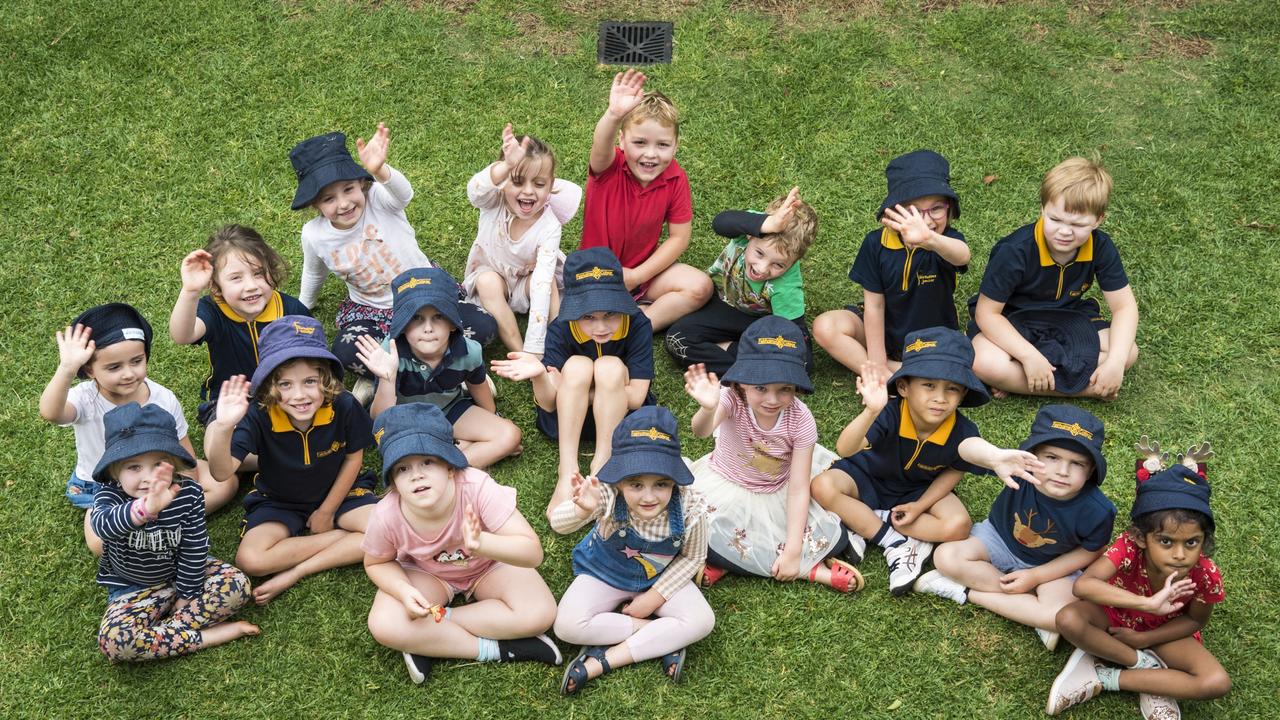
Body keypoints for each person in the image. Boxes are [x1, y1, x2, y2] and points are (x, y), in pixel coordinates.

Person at [811, 327, 1038, 594]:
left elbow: (962, 460)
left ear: (963, 394)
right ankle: (895, 541)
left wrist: (921, 505)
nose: (940, 398)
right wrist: (871, 411)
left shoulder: (961, 430)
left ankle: (867, 523)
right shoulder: (889, 412)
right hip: (866, 477)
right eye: (929, 385)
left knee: (959, 526)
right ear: (904, 387)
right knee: (823, 486)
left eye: (952, 389)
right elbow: (846, 449)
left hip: (920, 488)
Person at [362, 403, 560, 684]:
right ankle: (494, 649)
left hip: (489, 565)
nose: (416, 474)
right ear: (393, 481)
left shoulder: (477, 487)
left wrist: (482, 543)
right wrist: (404, 591)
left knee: (540, 613)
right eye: (402, 468)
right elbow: (376, 562)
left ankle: (430, 636)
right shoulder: (386, 514)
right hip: (426, 573)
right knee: (384, 624)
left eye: (428, 462)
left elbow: (532, 553)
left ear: (451, 467)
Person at [289, 124, 494, 383]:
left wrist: (380, 171)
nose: (343, 203)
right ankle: (440, 368)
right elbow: (313, 271)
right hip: (372, 310)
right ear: (315, 205)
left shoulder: (379, 198)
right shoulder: (314, 234)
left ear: (362, 184)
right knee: (345, 349)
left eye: (348, 189)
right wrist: (303, 306)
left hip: (424, 293)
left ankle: (398, 374)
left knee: (483, 325)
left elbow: (405, 194)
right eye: (328, 199)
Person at [684, 316, 864, 593]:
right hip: (723, 484)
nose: (772, 399)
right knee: (684, 525)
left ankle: (733, 563)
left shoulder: (801, 420)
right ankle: (812, 570)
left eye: (785, 389)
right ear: (741, 382)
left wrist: (793, 551)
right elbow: (701, 432)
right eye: (760, 388)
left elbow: (798, 488)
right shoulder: (730, 398)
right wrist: (708, 408)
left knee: (815, 539)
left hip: (775, 491)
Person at [204, 316, 377, 604]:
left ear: (326, 379)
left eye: (310, 381)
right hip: (279, 499)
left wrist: (325, 512)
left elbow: (353, 458)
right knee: (251, 560)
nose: (299, 395)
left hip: (341, 493)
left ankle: (298, 569)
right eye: (285, 384)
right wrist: (223, 427)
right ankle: (343, 538)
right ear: (270, 386)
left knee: (390, 530)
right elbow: (222, 473)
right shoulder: (258, 413)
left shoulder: (344, 404)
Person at [915, 405, 1117, 651]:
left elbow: (1091, 550)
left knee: (1061, 616)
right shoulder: (1019, 470)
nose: (1062, 471)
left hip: (1053, 565)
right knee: (946, 556)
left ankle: (965, 591)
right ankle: (1028, 606)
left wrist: (1036, 576)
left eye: (1077, 464)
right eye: (1052, 457)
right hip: (997, 539)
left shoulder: (1098, 509)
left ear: (1091, 470)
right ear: (1032, 455)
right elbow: (964, 447)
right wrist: (995, 457)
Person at [1047, 446, 1229, 718]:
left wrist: (1144, 638)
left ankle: (1106, 678)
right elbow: (1084, 585)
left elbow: (1194, 621)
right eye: (1165, 541)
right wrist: (1145, 604)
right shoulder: (1129, 547)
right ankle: (1143, 666)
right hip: (1113, 615)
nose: (1180, 555)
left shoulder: (1205, 574)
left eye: (1192, 542)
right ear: (1142, 538)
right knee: (1069, 619)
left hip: (1165, 632)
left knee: (1216, 682)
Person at [39, 303, 234, 554]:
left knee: (226, 483)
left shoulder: (162, 398)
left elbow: (186, 458)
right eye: (114, 367)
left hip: (158, 475)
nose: (128, 373)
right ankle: (141, 521)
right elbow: (51, 412)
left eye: (137, 361)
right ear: (89, 369)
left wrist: (176, 492)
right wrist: (66, 368)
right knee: (100, 545)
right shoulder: (86, 399)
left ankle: (150, 521)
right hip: (105, 485)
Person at [551, 407, 715, 694]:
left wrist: (654, 598)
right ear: (620, 481)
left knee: (703, 620)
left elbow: (693, 557)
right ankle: (662, 636)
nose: (649, 496)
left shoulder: (691, 507)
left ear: (675, 480)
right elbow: (557, 524)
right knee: (566, 625)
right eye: (636, 484)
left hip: (659, 578)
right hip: (602, 573)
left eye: (661, 484)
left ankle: (601, 661)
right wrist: (581, 510)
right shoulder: (606, 493)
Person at [491, 247, 655, 518]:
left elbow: (636, 397)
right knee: (578, 366)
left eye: (610, 314)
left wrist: (578, 390)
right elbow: (547, 403)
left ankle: (602, 468)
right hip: (565, 422)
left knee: (609, 367)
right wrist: (540, 375)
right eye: (588, 316)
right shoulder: (561, 328)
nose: (600, 327)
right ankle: (567, 472)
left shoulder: (637, 324)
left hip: (623, 421)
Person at [90, 403, 257, 662]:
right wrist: (143, 510)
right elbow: (103, 527)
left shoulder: (187, 492)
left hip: (182, 574)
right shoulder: (109, 494)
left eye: (158, 464)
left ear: (174, 463)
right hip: (133, 587)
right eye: (134, 467)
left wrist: (186, 595)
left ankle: (160, 635)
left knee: (238, 585)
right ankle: (204, 637)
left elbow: (194, 545)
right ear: (114, 470)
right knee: (115, 642)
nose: (147, 478)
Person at [969, 156, 1138, 399]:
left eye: (1078, 224)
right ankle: (1089, 390)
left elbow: (1124, 307)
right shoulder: (1015, 250)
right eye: (1055, 219)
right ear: (1043, 209)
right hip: (1014, 320)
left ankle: (1024, 379)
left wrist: (1116, 362)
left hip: (1069, 318)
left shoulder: (1101, 247)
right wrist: (1028, 355)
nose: (1065, 231)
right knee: (984, 361)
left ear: (1099, 220)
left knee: (1128, 353)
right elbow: (987, 313)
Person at [813, 150, 970, 377]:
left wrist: (930, 240)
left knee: (942, 371)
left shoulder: (946, 241)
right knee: (825, 326)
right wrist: (877, 361)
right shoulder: (875, 243)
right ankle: (885, 376)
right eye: (912, 210)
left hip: (930, 339)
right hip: (880, 331)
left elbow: (963, 256)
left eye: (936, 208)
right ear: (894, 211)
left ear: (949, 208)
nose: (924, 221)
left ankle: (901, 373)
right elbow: (874, 307)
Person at [581, 69, 712, 330]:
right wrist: (614, 115)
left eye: (662, 145)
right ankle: (616, 318)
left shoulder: (676, 178)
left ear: (675, 145)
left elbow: (679, 237)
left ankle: (639, 327)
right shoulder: (609, 167)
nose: (650, 154)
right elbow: (600, 146)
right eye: (640, 142)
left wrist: (638, 275)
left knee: (700, 287)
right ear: (622, 140)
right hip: (595, 275)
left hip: (643, 275)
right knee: (593, 314)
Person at [355, 267, 521, 468]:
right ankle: (453, 456)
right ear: (402, 324)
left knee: (510, 434)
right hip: (405, 419)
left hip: (449, 409)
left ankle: (445, 465)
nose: (427, 328)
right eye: (415, 317)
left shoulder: (469, 351)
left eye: (438, 316)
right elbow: (380, 419)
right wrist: (387, 379)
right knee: (409, 458)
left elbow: (477, 384)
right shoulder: (389, 352)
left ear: (452, 323)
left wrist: (491, 417)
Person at [664, 187, 818, 375]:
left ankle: (737, 361)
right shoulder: (757, 226)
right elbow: (720, 222)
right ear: (751, 234)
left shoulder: (787, 287)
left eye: (778, 265)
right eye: (759, 253)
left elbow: (802, 354)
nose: (762, 268)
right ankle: (750, 370)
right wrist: (767, 224)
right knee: (676, 340)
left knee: (797, 363)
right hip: (720, 304)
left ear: (793, 262)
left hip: (759, 325)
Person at [169, 224, 310, 425]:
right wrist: (190, 291)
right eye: (236, 278)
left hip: (284, 394)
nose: (251, 286)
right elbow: (182, 336)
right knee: (223, 440)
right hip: (231, 398)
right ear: (216, 286)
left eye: (259, 273)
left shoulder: (291, 310)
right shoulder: (213, 311)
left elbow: (314, 359)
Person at [463, 123, 581, 355]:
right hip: (495, 277)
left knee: (548, 287)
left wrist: (537, 345)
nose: (528, 191)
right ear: (503, 181)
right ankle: (520, 353)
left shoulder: (549, 226)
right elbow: (474, 190)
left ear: (550, 185)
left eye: (538, 184)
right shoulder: (492, 202)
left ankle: (559, 343)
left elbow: (541, 282)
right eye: (517, 181)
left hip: (529, 281)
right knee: (487, 282)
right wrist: (506, 165)